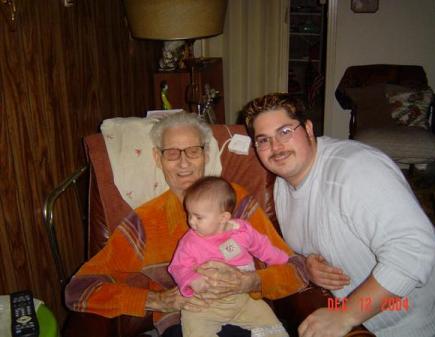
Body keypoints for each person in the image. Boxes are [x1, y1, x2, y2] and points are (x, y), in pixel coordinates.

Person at [65, 111, 307, 337]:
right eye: (172, 153)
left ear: (206, 155)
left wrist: (252, 282)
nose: (184, 163)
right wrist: (158, 300)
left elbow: (294, 268)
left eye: (193, 151)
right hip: (184, 321)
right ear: (157, 159)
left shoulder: (236, 202)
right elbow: (79, 290)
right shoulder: (144, 223)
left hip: (245, 310)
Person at [243, 93, 435, 337]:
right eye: (263, 140)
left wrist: (347, 314)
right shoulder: (282, 183)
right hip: (363, 317)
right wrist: (308, 262)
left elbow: (413, 251)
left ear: (308, 129)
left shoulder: (356, 170)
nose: (275, 147)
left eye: (285, 131)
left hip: (421, 320)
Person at [169, 176, 289, 337]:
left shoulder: (242, 230)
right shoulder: (190, 241)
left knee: (271, 324)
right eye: (189, 214)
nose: (191, 221)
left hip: (242, 300)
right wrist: (191, 279)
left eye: (198, 217)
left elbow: (263, 246)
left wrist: (284, 260)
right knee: (193, 328)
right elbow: (177, 267)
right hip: (206, 304)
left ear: (223, 217)